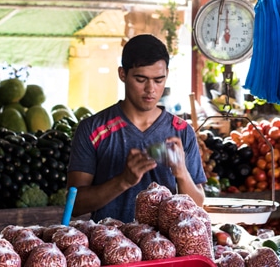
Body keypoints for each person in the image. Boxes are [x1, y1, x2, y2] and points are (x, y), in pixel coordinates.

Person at [66, 34, 206, 222]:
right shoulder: (93, 129)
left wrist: (181, 172)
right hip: (108, 244)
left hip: (165, 246)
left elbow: (197, 206)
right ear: (122, 74)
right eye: (141, 79)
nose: (151, 89)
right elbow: (75, 205)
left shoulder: (181, 131)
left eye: (158, 80)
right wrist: (123, 180)